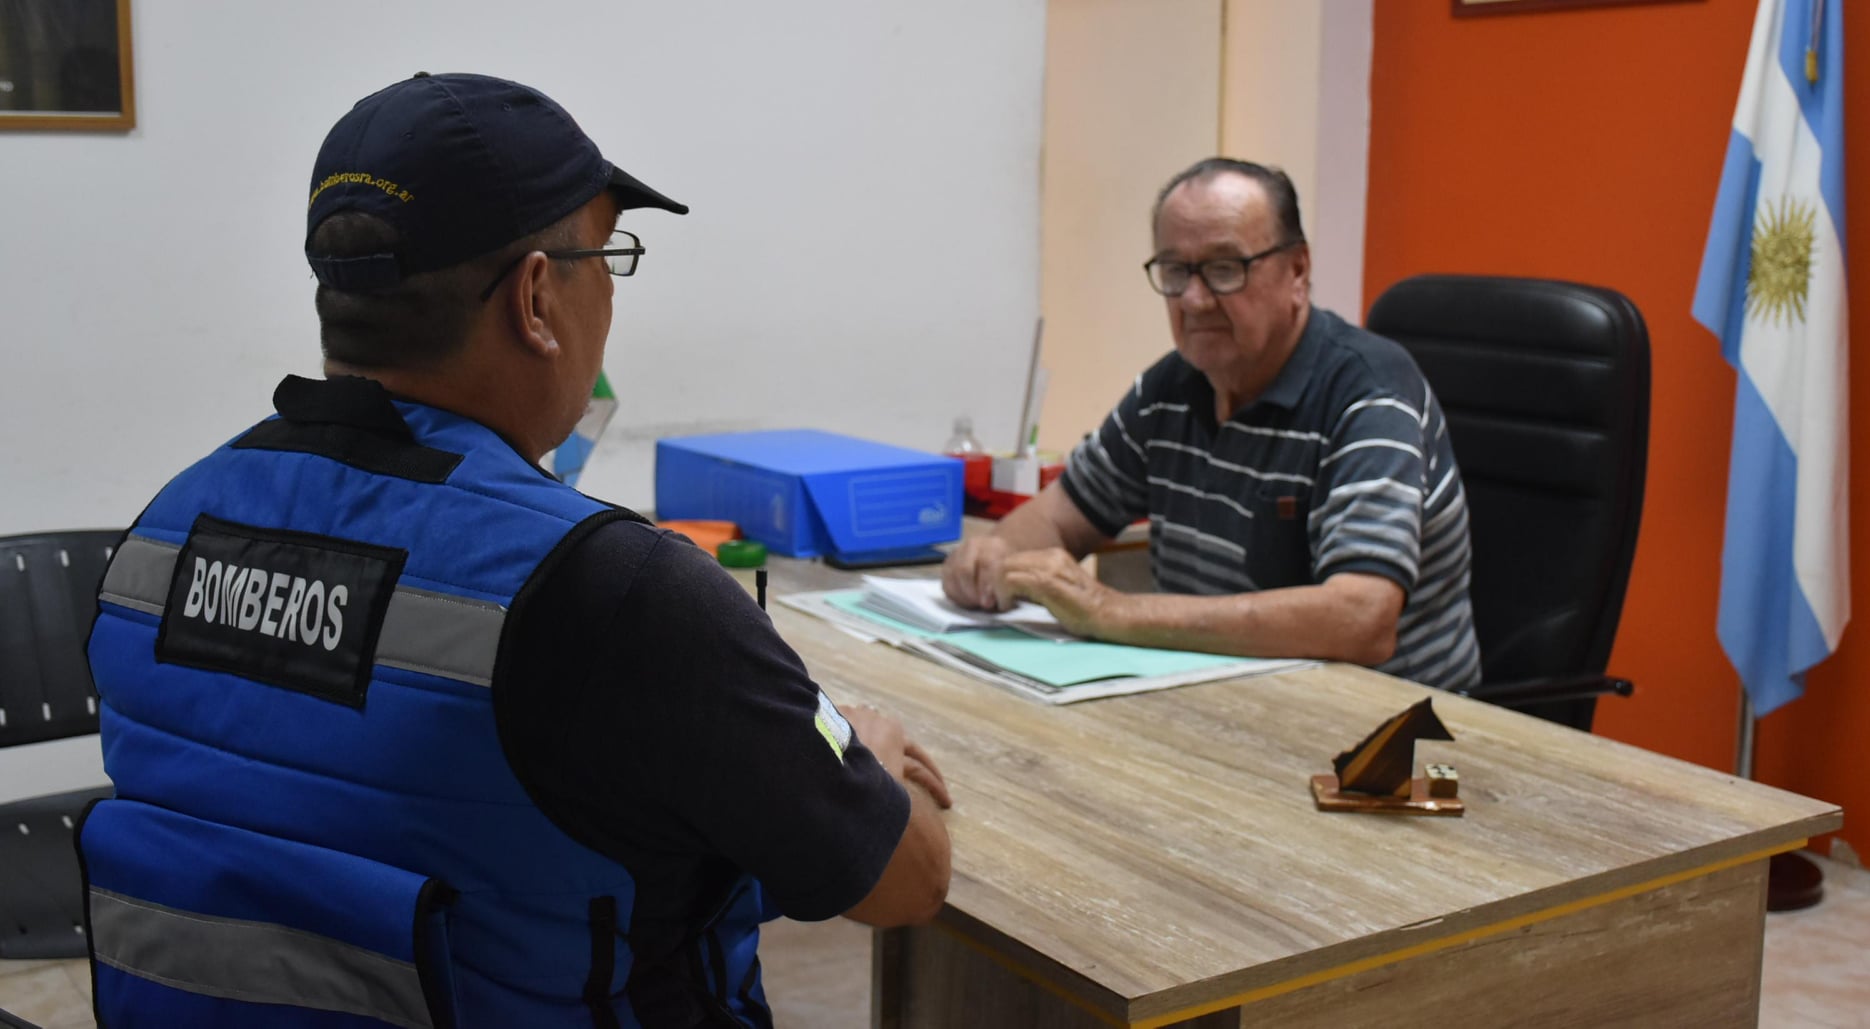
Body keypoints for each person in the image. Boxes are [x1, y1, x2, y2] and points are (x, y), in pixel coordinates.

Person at [79, 72, 951, 1028]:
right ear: (536, 297)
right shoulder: (616, 595)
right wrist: (861, 755)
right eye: (607, 258)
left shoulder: (160, 536)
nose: (610, 296)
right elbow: (905, 881)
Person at [944, 158, 1480, 689]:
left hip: (1386, 725)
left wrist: (1110, 611)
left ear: (1297, 271)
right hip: (1219, 694)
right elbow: (1060, 518)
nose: (1194, 300)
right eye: (1175, 271)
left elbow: (1362, 618)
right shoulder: (1168, 390)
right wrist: (993, 557)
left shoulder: (1369, 393)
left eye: (1225, 269)